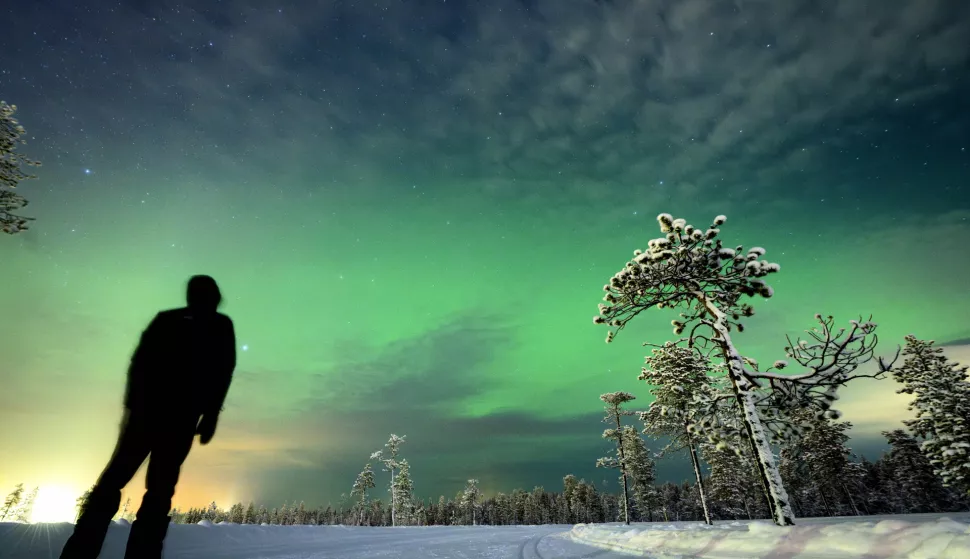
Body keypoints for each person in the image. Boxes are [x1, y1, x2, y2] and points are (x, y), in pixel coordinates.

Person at [60, 275, 237, 559]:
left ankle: (88, 550)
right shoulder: (204, 323)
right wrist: (209, 414)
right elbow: (219, 371)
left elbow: (221, 371)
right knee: (144, 488)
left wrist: (210, 413)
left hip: (164, 417)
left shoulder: (206, 324)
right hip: (161, 416)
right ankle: (88, 550)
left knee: (143, 488)